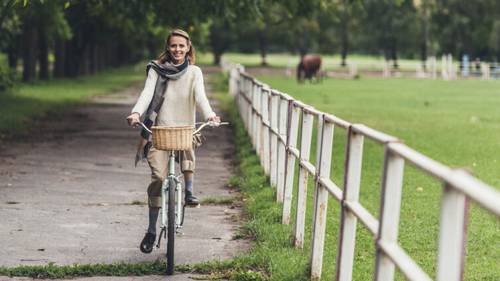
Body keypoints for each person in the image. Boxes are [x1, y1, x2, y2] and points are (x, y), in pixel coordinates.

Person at [126, 29, 220, 253]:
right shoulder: (156, 71)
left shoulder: (194, 72)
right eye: (173, 46)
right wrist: (136, 113)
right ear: (168, 48)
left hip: (183, 130)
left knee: (188, 143)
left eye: (181, 46)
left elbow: (200, 96)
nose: (177, 50)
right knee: (158, 178)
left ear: (188, 48)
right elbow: (147, 94)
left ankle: (188, 192)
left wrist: (210, 115)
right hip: (158, 131)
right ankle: (151, 230)